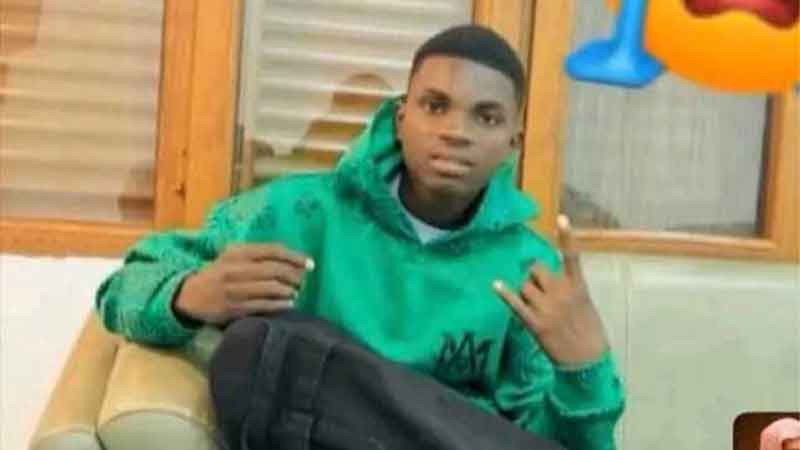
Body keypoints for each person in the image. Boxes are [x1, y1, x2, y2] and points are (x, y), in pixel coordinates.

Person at [96, 24, 624, 449]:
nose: (455, 132)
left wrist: (584, 370)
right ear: (401, 117)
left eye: (485, 117)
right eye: (435, 106)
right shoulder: (298, 212)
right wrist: (190, 294)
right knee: (259, 350)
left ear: (513, 141)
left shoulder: (529, 269)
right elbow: (124, 287)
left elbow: (544, 440)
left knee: (275, 350)